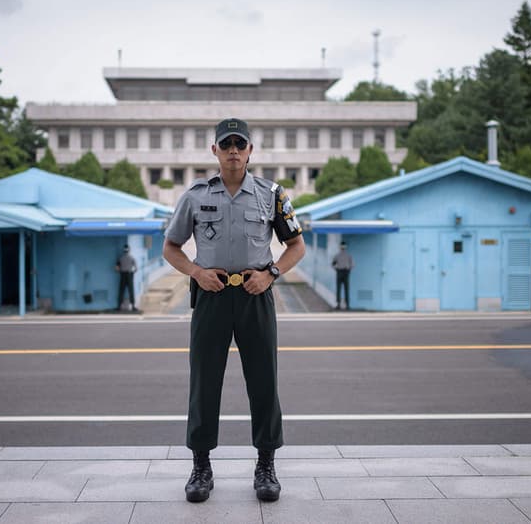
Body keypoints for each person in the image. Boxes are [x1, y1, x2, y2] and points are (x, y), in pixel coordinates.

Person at [163, 117, 306, 504]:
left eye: (239, 144)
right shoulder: (194, 196)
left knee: (264, 382)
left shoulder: (271, 194)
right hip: (211, 297)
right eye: (225, 145)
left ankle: (266, 466)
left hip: (255, 295)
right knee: (204, 383)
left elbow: (296, 246)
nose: (232, 151)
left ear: (250, 150)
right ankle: (201, 467)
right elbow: (171, 248)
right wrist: (195, 271)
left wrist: (272, 274)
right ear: (214, 150)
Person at [115, 244, 139, 312]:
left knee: (121, 291)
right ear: (129, 250)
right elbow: (136, 268)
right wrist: (132, 273)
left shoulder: (120, 258)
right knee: (131, 291)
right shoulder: (132, 258)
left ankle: (119, 306)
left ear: (123, 250)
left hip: (122, 275)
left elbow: (116, 268)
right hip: (129, 275)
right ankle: (133, 306)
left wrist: (120, 271)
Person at [331, 241, 354, 310]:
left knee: (340, 289)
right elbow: (352, 265)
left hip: (341, 272)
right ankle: (345, 305)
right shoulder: (345, 255)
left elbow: (333, 264)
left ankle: (340, 304)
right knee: (344, 289)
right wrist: (348, 270)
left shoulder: (340, 255)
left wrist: (336, 269)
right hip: (343, 272)